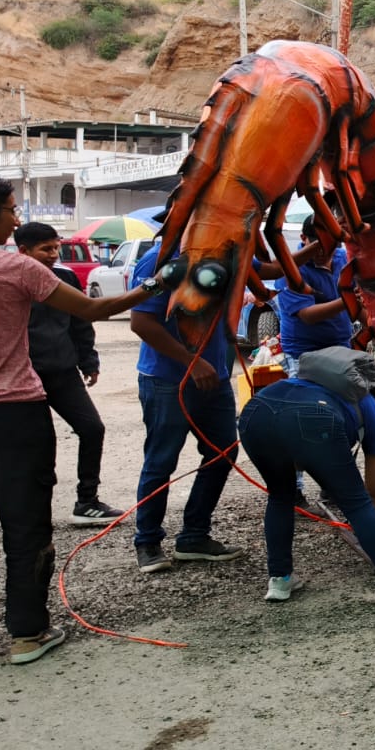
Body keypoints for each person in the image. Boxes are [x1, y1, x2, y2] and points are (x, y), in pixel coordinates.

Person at [0, 174, 160, 667]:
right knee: (25, 522)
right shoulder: (13, 267)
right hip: (13, 414)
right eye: (11, 210)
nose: (16, 220)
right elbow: (95, 308)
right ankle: (28, 632)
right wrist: (157, 284)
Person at [237, 352, 375, 610]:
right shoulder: (373, 410)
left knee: (280, 496)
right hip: (312, 418)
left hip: (256, 412)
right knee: (356, 503)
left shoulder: (322, 387)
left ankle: (280, 579)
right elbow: (374, 490)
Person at [130, 240, 242, 574]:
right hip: (168, 380)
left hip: (214, 377)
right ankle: (147, 541)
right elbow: (141, 321)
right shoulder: (160, 260)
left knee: (223, 452)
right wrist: (191, 362)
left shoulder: (225, 252)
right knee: (161, 460)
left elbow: (268, 270)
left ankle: (194, 535)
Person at [12, 223, 122, 526]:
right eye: (45, 249)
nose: (53, 254)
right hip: (25, 378)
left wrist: (89, 361)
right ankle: (32, 515)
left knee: (92, 429)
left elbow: (81, 321)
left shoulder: (65, 278)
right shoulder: (10, 282)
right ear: (23, 251)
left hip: (63, 372)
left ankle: (87, 501)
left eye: (55, 248)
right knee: (39, 445)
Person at [275, 217, 352, 371]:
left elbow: (359, 303)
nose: (323, 252)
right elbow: (307, 315)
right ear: (303, 238)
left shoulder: (344, 258)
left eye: (329, 246)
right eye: (317, 246)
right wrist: (347, 301)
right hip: (304, 354)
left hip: (342, 349)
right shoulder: (291, 270)